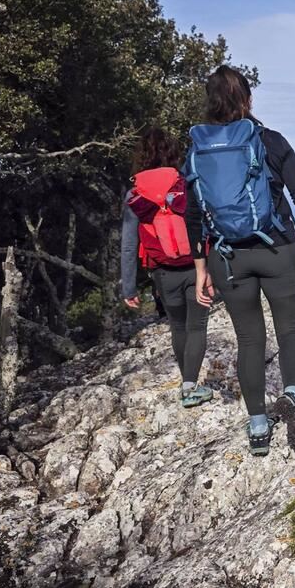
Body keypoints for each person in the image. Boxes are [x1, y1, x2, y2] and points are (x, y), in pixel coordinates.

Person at [185, 65, 295, 457]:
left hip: (227, 257)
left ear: (210, 103)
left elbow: (193, 213)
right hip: (278, 249)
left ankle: (258, 427)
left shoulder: (197, 150)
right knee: (291, 328)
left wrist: (200, 269)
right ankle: (293, 396)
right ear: (248, 99)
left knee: (249, 339)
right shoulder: (270, 141)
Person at [120, 127, 213, 407]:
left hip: (163, 273)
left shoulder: (135, 194)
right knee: (197, 326)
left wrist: (129, 287)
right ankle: (190, 387)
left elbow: (129, 244)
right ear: (173, 152)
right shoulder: (186, 183)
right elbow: (208, 225)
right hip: (196, 266)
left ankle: (187, 384)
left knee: (178, 326)